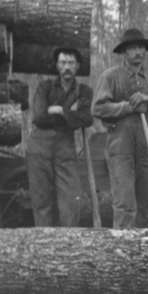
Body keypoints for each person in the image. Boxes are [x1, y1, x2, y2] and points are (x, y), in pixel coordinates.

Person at [91, 28, 148, 228]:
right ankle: (123, 250)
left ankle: (141, 250)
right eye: (133, 48)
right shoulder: (111, 77)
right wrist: (128, 106)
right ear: (123, 52)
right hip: (120, 145)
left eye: (141, 47)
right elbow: (98, 107)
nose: (138, 52)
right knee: (125, 202)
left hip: (145, 147)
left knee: (145, 202)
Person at [26, 46, 94, 227]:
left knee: (71, 202)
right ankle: (44, 246)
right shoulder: (45, 87)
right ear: (57, 65)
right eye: (63, 62)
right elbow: (39, 118)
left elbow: (87, 118)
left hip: (65, 150)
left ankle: (68, 247)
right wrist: (71, 116)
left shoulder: (84, 91)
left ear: (78, 66)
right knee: (41, 202)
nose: (67, 67)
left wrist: (60, 111)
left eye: (71, 63)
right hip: (39, 148)